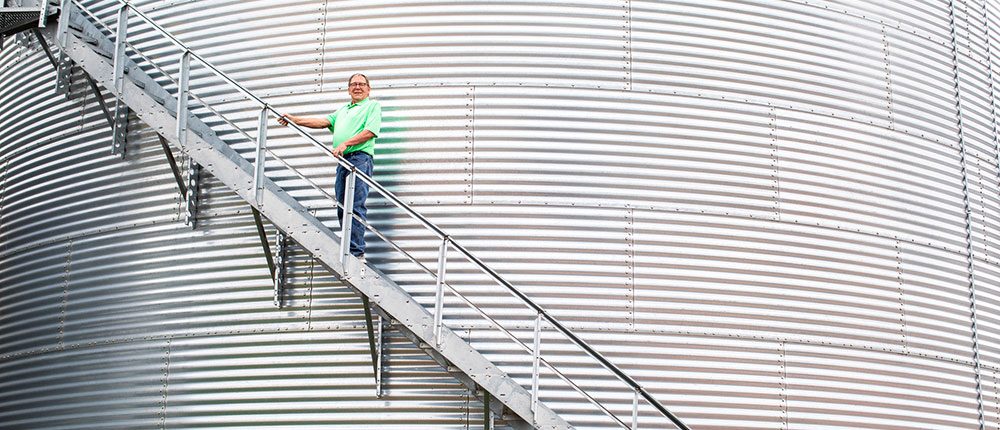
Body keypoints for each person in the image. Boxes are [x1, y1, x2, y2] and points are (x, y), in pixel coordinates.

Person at [279, 73, 382, 263]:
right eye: (353, 84)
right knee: (342, 206)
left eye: (361, 84)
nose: (357, 87)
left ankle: (357, 253)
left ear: (368, 89)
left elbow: (370, 132)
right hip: (343, 161)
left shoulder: (372, 106)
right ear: (348, 89)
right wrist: (294, 119)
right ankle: (348, 248)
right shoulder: (342, 110)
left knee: (356, 205)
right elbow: (322, 122)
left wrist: (345, 144)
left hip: (360, 159)